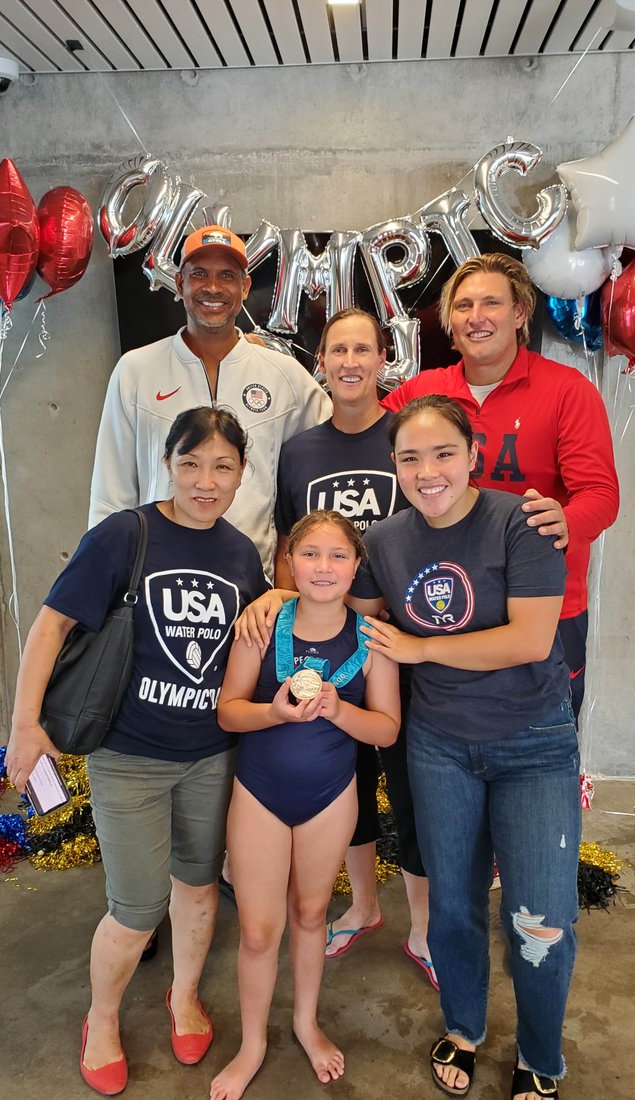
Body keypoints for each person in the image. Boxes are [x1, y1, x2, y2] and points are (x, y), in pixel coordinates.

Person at [6, 408, 268, 1097]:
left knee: (200, 884)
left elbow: (258, 631)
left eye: (222, 467)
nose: (205, 482)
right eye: (190, 464)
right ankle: (101, 1018)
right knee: (136, 905)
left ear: (243, 472)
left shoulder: (241, 553)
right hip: (129, 757)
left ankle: (183, 996)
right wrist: (25, 726)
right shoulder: (127, 534)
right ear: (167, 463)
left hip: (211, 755)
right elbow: (51, 627)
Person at [348, 396, 579, 1100]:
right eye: (410, 458)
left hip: (534, 741)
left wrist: (420, 649)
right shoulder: (385, 540)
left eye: (443, 453)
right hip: (439, 744)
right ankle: (463, 1027)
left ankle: (542, 1054)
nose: (427, 471)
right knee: (451, 906)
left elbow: (531, 640)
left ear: (473, 453)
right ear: (394, 466)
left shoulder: (522, 521)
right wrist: (279, 606)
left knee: (540, 915)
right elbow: (346, 612)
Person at [209, 511, 400, 1100]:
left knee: (311, 913)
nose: (323, 567)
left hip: (329, 797)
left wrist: (340, 712)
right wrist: (275, 712)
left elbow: (388, 729)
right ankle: (252, 1043)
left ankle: (307, 1024)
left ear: (356, 565)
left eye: (337, 556)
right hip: (260, 793)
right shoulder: (261, 626)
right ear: (288, 563)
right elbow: (227, 711)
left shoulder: (371, 640)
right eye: (310, 555)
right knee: (261, 930)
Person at [383, 253, 619, 719]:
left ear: (519, 313)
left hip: (543, 607)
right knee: (442, 746)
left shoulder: (567, 391)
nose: (477, 318)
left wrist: (563, 521)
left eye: (491, 303)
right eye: (464, 306)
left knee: (542, 746)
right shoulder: (420, 394)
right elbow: (355, 432)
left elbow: (601, 495)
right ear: (450, 320)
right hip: (442, 604)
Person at [274, 308, 433, 983]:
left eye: (362, 349)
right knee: (349, 779)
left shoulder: (408, 437)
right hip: (329, 644)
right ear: (322, 361)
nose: (349, 361)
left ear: (381, 359)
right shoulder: (301, 450)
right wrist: (285, 617)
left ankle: (423, 927)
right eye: (337, 348)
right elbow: (289, 547)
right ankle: (364, 903)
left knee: (411, 779)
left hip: (399, 638)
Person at [88, 224, 330, 574]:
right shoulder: (135, 371)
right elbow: (110, 494)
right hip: (157, 582)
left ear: (245, 287)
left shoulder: (282, 374)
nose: (213, 287)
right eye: (199, 274)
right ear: (180, 284)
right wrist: (103, 581)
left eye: (226, 276)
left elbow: (336, 450)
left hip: (250, 587)